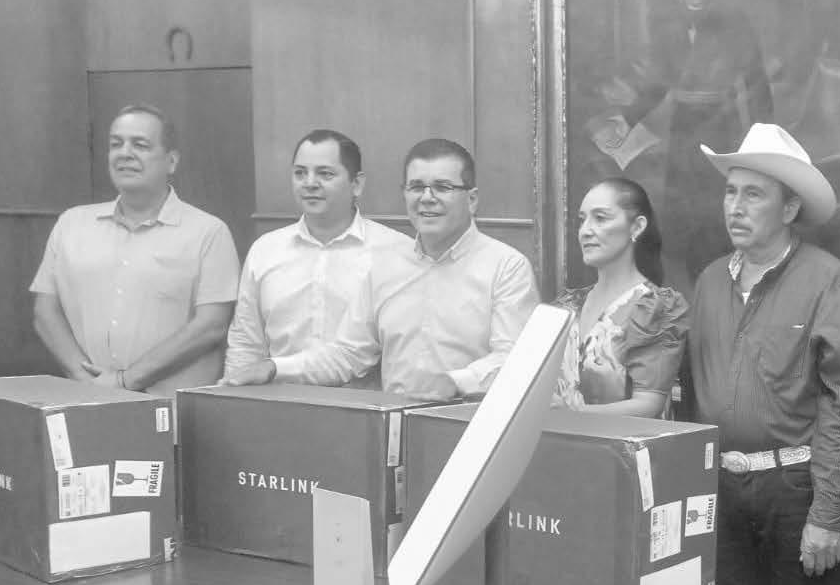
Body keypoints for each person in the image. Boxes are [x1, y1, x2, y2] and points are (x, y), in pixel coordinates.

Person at [687, 122, 840, 585]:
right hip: (718, 491)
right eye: (730, 192)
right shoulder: (708, 283)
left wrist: (827, 514)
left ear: (789, 209)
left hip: (795, 491)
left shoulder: (828, 281)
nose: (735, 206)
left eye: (753, 194)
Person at [224, 138, 538, 402]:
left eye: (442, 187)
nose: (427, 198)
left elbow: (515, 358)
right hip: (396, 430)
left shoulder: (506, 267)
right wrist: (275, 368)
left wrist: (455, 382)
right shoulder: (386, 266)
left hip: (473, 425)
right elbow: (348, 353)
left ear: (472, 200)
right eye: (416, 187)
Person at [31, 104, 239, 394]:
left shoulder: (208, 232)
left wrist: (126, 381)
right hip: (87, 400)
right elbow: (45, 312)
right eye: (116, 144)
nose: (124, 153)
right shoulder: (71, 224)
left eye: (140, 145)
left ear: (171, 161)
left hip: (175, 410)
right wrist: (86, 380)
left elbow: (211, 326)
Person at [597, 0, 773, 284]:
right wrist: (628, 118)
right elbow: (658, 83)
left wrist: (764, 135)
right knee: (682, 211)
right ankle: (687, 287)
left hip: (721, 124)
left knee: (717, 209)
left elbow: (756, 81)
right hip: (684, 126)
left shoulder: (735, 22)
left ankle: (721, 283)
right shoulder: (669, 26)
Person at [223, 129, 410, 387]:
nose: (309, 183)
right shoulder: (265, 250)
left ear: (356, 184)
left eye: (325, 174)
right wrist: (232, 394)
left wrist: (274, 368)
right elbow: (246, 342)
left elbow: (390, 351)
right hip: (278, 402)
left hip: (362, 405)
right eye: (300, 173)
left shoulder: (396, 252)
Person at [553, 177, 688, 417]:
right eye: (582, 220)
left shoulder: (654, 307)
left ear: (637, 227)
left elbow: (648, 406)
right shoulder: (566, 306)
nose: (585, 231)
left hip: (626, 441)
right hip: (557, 439)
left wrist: (571, 414)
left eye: (600, 218)